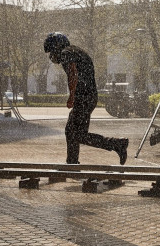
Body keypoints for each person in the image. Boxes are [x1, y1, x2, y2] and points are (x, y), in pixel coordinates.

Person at [44, 32, 129, 165]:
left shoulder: (66, 53)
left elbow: (73, 74)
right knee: (73, 132)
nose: (51, 57)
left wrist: (71, 96)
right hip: (89, 97)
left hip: (83, 98)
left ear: (57, 47)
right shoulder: (76, 51)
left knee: (76, 134)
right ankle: (72, 162)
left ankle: (116, 143)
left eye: (51, 52)